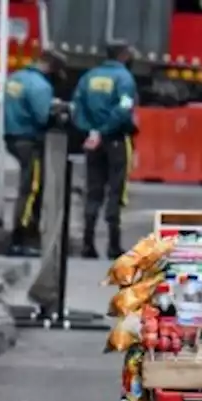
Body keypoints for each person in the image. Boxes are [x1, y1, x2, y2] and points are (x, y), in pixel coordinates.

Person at [72, 40, 138, 260]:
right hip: (116, 139)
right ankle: (113, 245)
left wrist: (90, 131)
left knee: (93, 191)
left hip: (93, 141)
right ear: (123, 55)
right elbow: (125, 107)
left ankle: (87, 244)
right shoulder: (124, 78)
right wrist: (105, 129)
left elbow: (77, 105)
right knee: (116, 191)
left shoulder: (89, 77)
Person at [3, 49, 67, 257]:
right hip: (29, 140)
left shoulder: (16, 78)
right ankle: (21, 238)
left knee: (27, 186)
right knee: (31, 189)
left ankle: (21, 237)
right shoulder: (40, 86)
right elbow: (42, 117)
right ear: (51, 66)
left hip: (12, 136)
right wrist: (57, 112)